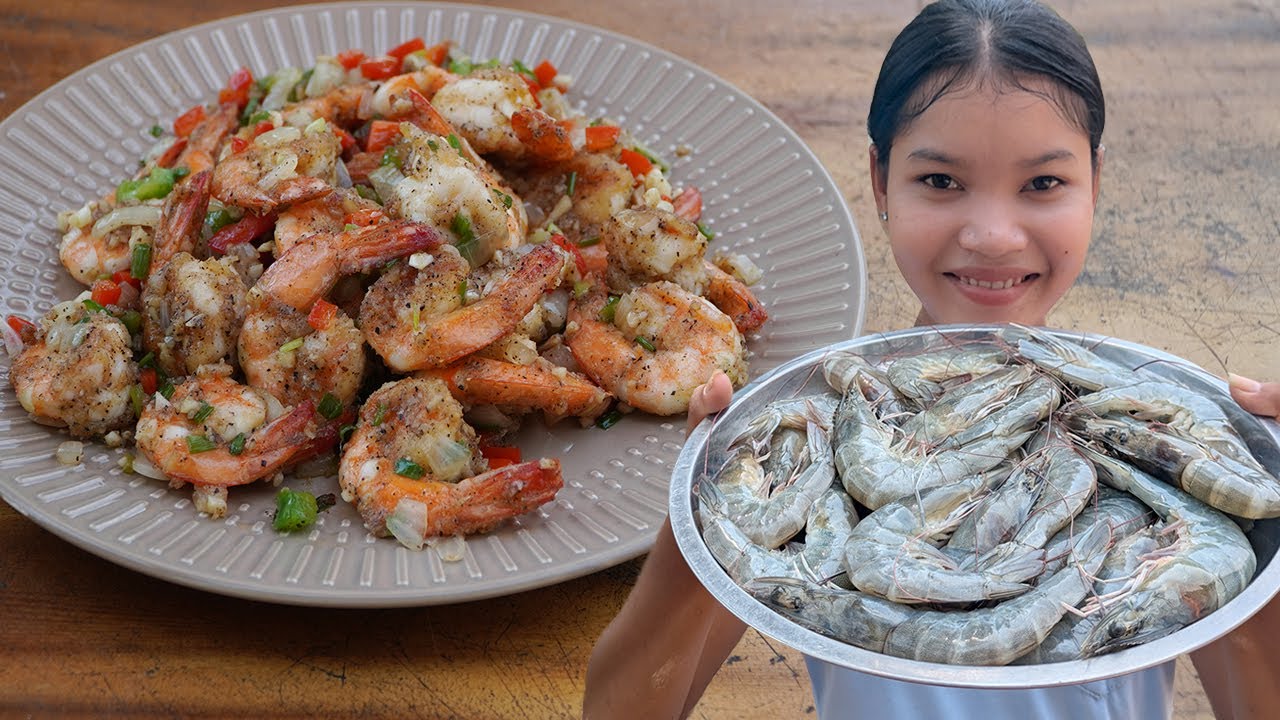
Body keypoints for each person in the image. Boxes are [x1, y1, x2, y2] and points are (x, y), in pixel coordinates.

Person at [581, 0, 1280, 718]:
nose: (993, 234)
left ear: (1095, 184)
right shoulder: (819, 437)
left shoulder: (1168, 442)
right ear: (881, 182)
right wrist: (700, 513)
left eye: (1042, 183)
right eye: (941, 182)